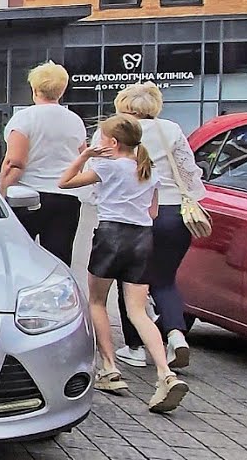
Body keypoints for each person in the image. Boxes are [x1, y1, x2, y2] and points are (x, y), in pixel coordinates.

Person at [59, 114, 190, 414]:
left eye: (101, 137)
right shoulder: (148, 170)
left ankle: (109, 368)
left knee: (97, 302)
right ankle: (164, 373)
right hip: (142, 239)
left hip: (110, 236)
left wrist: (85, 155)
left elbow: (64, 182)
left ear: (113, 142)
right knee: (138, 310)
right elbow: (153, 211)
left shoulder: (106, 166)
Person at [92, 82, 207, 371]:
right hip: (174, 214)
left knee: (128, 279)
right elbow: (188, 172)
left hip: (135, 217)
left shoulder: (112, 130)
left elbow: (96, 175)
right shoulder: (171, 129)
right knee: (165, 279)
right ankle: (176, 335)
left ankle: (134, 347)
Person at [0, 61, 87, 265]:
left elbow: (15, 162)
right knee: (59, 259)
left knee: (20, 258)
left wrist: (2, 192)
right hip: (66, 198)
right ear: (62, 89)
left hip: (27, 196)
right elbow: (81, 158)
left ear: (35, 88)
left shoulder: (24, 118)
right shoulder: (75, 120)